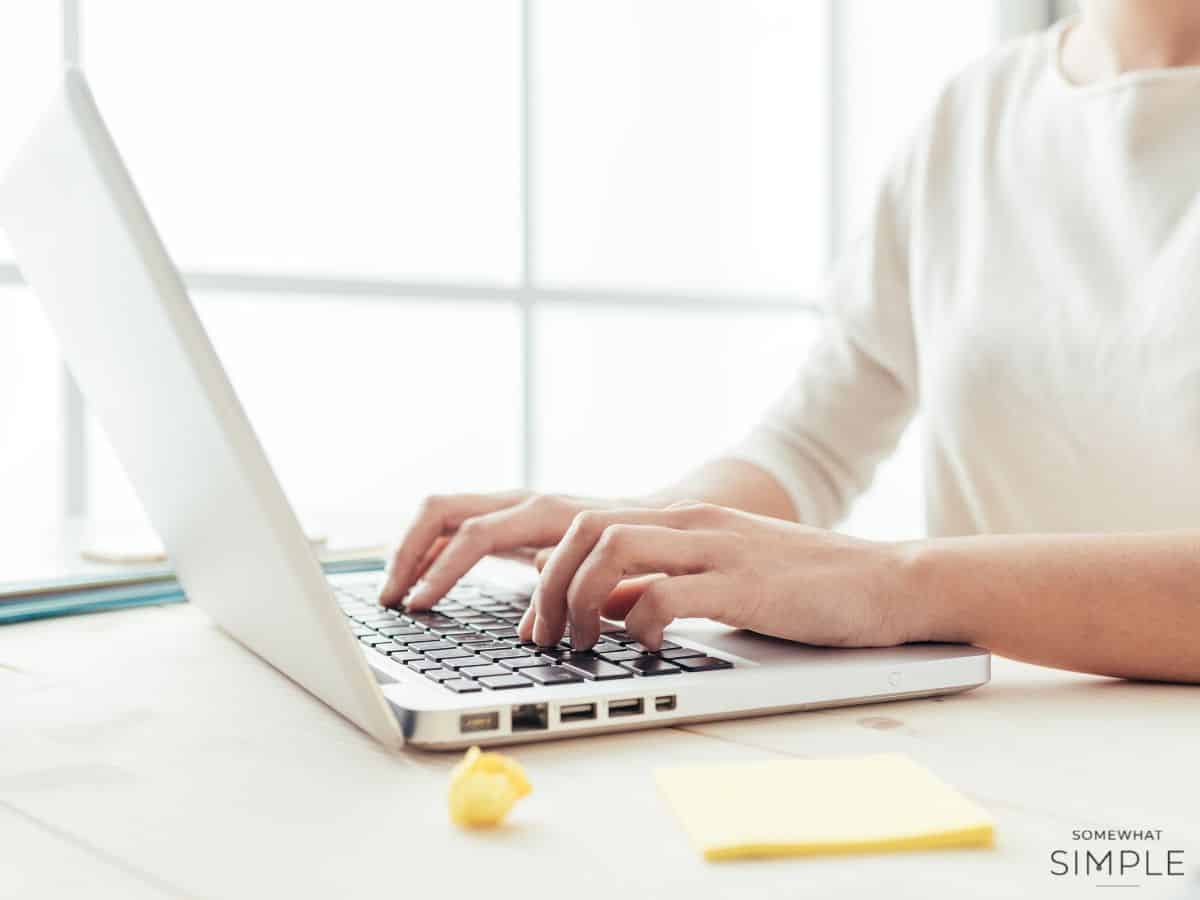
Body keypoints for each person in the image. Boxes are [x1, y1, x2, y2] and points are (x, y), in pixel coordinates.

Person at [380, 0, 1200, 684]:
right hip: (994, 736)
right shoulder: (978, 108)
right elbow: (813, 445)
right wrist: (645, 530)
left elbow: (884, 577)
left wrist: (891, 586)